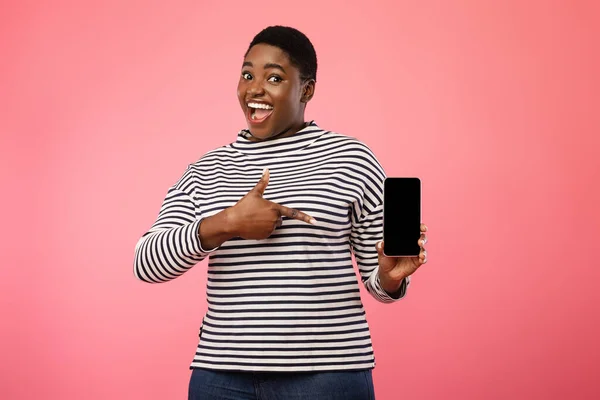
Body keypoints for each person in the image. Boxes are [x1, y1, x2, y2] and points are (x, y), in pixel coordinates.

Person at [134, 25, 428, 400]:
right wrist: (227, 223)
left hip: (327, 375)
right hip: (221, 377)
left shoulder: (351, 159)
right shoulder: (207, 169)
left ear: (306, 90)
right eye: (246, 75)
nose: (254, 89)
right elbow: (146, 263)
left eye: (273, 77)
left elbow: (379, 285)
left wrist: (389, 278)